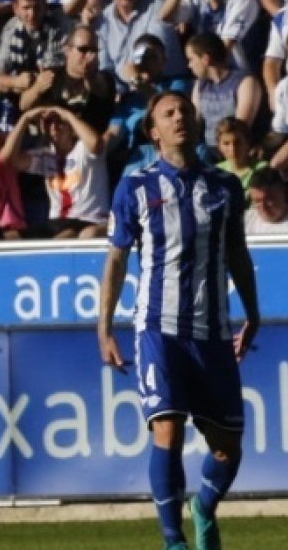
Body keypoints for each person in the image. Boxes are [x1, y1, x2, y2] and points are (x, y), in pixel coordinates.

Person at [97, 91, 260, 550]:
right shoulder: (135, 187)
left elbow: (238, 255)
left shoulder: (224, 187)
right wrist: (105, 327)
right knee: (166, 427)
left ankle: (204, 506)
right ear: (154, 132)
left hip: (212, 331)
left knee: (228, 445)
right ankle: (174, 541)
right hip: (158, 328)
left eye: (184, 110)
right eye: (168, 114)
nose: (179, 117)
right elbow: (115, 261)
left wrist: (253, 312)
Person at [0, 105, 109, 238]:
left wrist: (67, 115)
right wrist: (25, 119)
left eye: (60, 122)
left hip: (89, 220)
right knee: (10, 237)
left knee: (65, 237)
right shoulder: (46, 155)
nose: (54, 128)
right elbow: (8, 160)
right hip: (56, 223)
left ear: (72, 127)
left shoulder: (84, 150)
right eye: (49, 123)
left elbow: (96, 143)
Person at [185, 33, 263, 149]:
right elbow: (195, 122)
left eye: (191, 59)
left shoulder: (245, 82)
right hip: (208, 151)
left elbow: (240, 128)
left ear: (205, 59)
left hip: (235, 150)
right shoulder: (200, 85)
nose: (189, 65)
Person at [244, 166, 288, 233]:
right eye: (257, 201)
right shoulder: (245, 221)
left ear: (283, 192)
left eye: (268, 200)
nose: (263, 207)